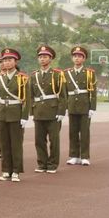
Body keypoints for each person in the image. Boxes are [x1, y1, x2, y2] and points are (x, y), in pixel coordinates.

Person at [0, 48, 29, 182]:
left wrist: (25, 116)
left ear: (15, 61)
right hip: (2, 112)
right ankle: (6, 170)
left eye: (9, 60)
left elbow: (27, 99)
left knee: (16, 144)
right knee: (4, 144)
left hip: (15, 112)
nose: (6, 63)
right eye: (4, 60)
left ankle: (16, 171)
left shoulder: (22, 78)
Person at [29, 45, 66, 174]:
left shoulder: (57, 75)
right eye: (40, 57)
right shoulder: (34, 75)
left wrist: (61, 111)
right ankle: (42, 163)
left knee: (54, 140)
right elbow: (31, 96)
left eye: (45, 57)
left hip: (53, 111)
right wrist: (31, 111)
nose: (42, 59)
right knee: (39, 140)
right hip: (38, 111)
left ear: (50, 59)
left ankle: (52, 164)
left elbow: (62, 95)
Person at [64, 46, 97, 166]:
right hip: (72, 105)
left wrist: (92, 107)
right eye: (75, 56)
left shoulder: (89, 73)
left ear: (84, 59)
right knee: (72, 132)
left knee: (84, 132)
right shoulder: (66, 73)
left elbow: (93, 92)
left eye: (79, 56)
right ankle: (74, 155)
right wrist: (65, 107)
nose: (77, 58)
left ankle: (84, 156)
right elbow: (64, 92)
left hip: (84, 105)